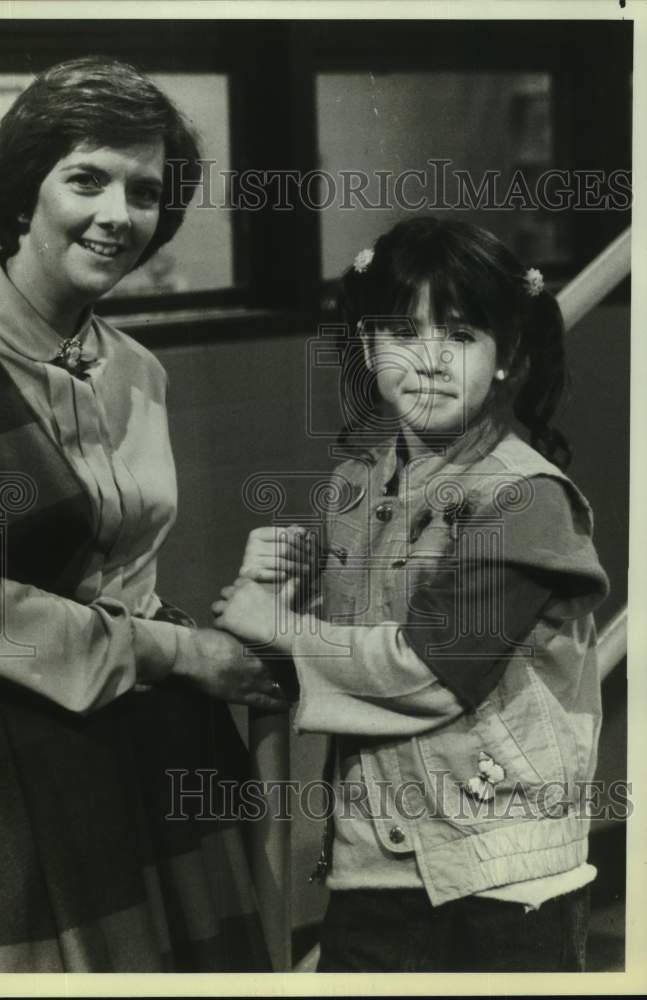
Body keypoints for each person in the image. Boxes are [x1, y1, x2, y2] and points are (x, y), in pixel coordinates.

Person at [0, 56, 282, 973]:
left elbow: (129, 572)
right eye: (86, 179)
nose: (118, 214)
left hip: (150, 746)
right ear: (20, 192)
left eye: (146, 191)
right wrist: (185, 653)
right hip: (3, 762)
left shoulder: (137, 370)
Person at [212, 216, 609, 972]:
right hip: (376, 859)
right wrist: (280, 596)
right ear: (366, 347)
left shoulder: (525, 500)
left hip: (501, 874)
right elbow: (345, 654)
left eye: (458, 338)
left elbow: (432, 670)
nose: (426, 362)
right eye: (400, 334)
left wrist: (283, 630)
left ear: (508, 357)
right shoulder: (353, 489)